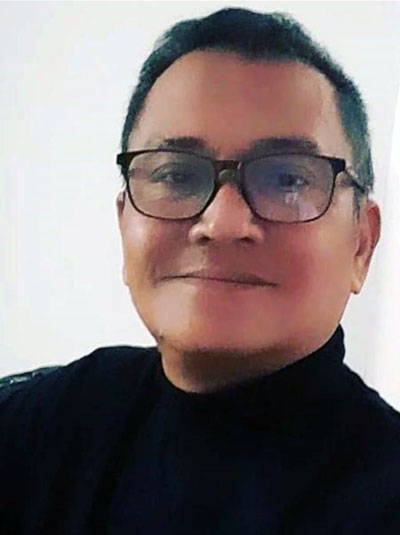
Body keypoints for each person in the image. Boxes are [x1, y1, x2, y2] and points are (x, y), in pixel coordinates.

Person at [1, 7, 399, 534]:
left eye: (287, 179)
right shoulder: (44, 424)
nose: (223, 222)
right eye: (176, 174)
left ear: (361, 244)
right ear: (124, 222)